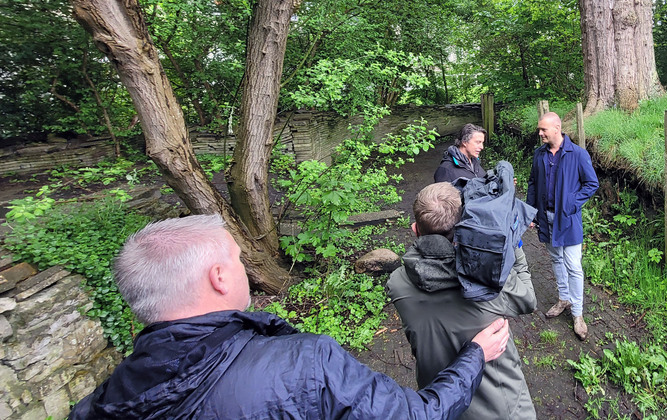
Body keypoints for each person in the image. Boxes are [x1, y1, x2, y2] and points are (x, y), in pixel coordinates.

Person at [69, 214, 511, 420]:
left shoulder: (101, 403)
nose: (245, 267)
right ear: (220, 277)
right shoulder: (303, 364)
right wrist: (474, 354)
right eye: (239, 259)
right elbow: (416, 416)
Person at [387, 183, 537, 420]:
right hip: (499, 407)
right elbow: (528, 299)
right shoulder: (489, 279)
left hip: (439, 403)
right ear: (463, 226)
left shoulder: (398, 284)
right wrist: (511, 245)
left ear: (415, 229)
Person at [526, 112, 599, 340]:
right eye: (539, 130)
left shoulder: (577, 154)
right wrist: (530, 212)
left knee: (573, 266)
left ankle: (577, 314)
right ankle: (563, 299)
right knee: (556, 259)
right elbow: (532, 183)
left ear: (556, 128)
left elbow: (591, 183)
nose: (540, 133)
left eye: (543, 130)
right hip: (545, 218)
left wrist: (570, 203)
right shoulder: (539, 154)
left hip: (567, 219)